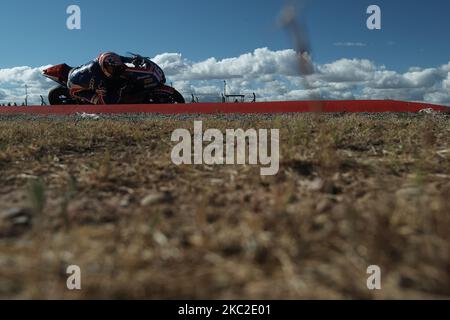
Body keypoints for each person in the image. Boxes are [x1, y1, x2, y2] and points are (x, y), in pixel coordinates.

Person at [67, 52, 165, 105]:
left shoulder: (106, 58)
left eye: (115, 68)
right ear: (104, 67)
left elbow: (120, 59)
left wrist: (133, 60)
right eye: (112, 68)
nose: (115, 70)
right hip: (76, 88)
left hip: (81, 73)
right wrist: (120, 90)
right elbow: (105, 102)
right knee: (104, 101)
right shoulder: (99, 80)